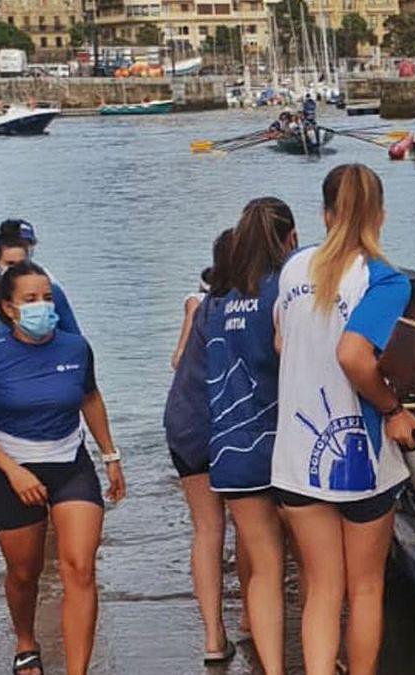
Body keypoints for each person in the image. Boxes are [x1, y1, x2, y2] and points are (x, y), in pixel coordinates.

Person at [272, 164, 415, 675]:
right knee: (364, 589)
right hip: (359, 456)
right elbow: (355, 356)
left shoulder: (295, 268)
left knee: (321, 588)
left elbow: (280, 341)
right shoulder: (383, 280)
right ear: (379, 216)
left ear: (325, 213)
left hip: (296, 454)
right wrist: (394, 407)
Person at [0, 261, 126, 675]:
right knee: (24, 573)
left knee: (80, 567)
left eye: (47, 298)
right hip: (13, 470)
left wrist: (110, 456)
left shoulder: (75, 347)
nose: (42, 306)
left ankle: (77, 670)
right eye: (30, 299)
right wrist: (12, 470)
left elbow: (90, 399)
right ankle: (26, 641)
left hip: (71, 465)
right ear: (8, 308)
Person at [175, 198, 297, 673]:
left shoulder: (218, 302)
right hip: (282, 445)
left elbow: (188, 362)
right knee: (309, 566)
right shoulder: (282, 291)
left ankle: (267, 663)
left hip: (228, 447)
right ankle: (323, 655)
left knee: (261, 564)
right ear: (289, 239)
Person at [163, 229, 237, 666]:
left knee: (207, 529)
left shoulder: (201, 302)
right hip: (228, 422)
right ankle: (251, 621)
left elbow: (177, 361)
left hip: (186, 418)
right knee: (253, 531)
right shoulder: (258, 305)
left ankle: (213, 636)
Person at [0, 222, 81, 338]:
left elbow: (74, 334)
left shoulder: (52, 288)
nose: (15, 269)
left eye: (21, 263)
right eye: (10, 264)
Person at [170, 267, 212, 371]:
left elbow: (191, 319)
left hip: (200, 353)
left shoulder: (195, 299)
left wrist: (180, 351)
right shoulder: (231, 300)